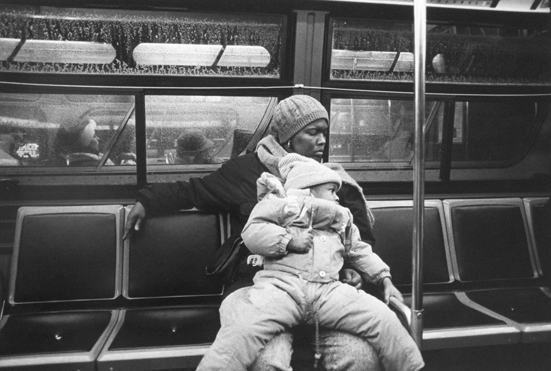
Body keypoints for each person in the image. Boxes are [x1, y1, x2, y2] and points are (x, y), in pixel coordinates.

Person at [123, 95, 386, 370]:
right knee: (266, 361)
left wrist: (352, 269)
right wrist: (148, 200)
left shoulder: (332, 179)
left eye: (324, 133)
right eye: (313, 132)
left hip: (324, 288)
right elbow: (193, 191)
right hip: (259, 285)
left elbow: (358, 238)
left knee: (361, 358)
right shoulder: (245, 172)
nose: (322, 141)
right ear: (287, 137)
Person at [197, 154, 424, 371]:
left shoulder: (341, 217)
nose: (337, 197)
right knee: (243, 331)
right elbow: (253, 233)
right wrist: (288, 240)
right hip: (281, 288)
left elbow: (358, 249)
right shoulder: (279, 206)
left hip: (328, 291)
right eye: (332, 190)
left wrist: (383, 278)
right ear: (309, 189)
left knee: (382, 318)